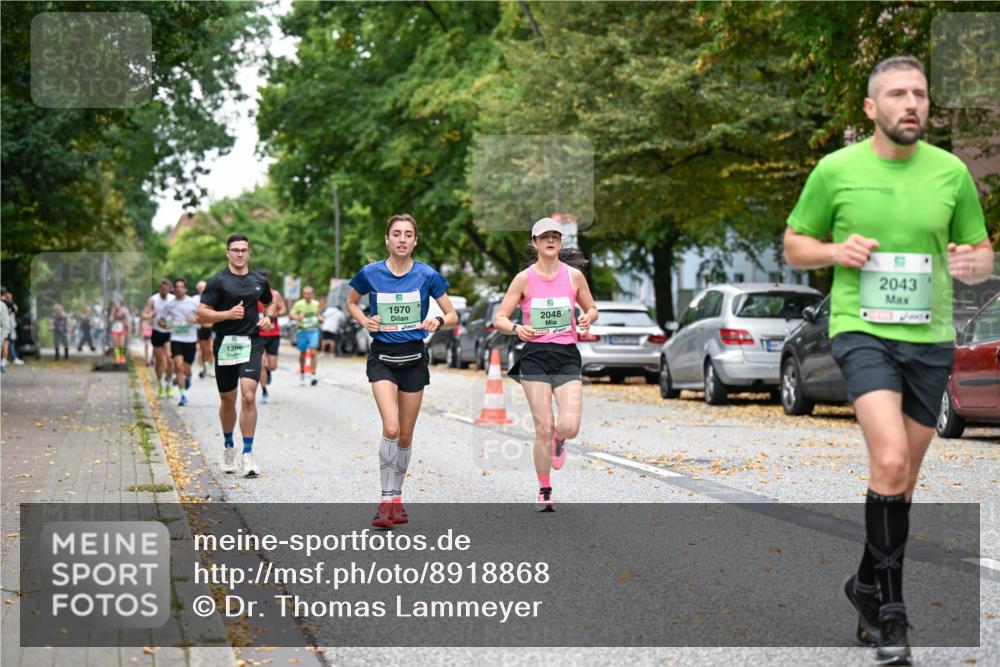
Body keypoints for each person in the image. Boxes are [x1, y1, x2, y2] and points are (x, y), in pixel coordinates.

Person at [783, 56, 993, 666]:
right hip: (863, 331)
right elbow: (795, 245)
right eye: (898, 93)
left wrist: (972, 263)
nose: (911, 103)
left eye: (920, 93)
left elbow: (981, 252)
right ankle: (892, 615)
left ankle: (864, 585)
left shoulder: (950, 173)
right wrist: (834, 251)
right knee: (891, 459)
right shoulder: (837, 170)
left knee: (900, 478)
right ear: (872, 108)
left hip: (929, 340)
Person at [346, 213, 458, 529]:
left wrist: (437, 320)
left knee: (406, 435)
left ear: (415, 241)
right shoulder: (370, 273)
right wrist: (365, 320)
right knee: (391, 428)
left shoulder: (427, 275)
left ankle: (397, 497)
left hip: (413, 358)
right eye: (396, 233)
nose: (402, 239)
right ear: (387, 239)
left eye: (408, 234)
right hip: (383, 358)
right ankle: (385, 502)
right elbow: (352, 303)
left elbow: (453, 314)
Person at [493, 217, 598, 513]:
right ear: (535, 242)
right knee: (543, 427)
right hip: (535, 356)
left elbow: (591, 307)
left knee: (569, 426)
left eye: (555, 236)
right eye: (544, 236)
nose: (550, 240)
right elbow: (499, 318)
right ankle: (544, 488)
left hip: (566, 355)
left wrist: (588, 316)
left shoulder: (574, 276)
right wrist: (517, 329)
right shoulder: (523, 279)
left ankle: (560, 439)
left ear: (560, 242)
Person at [196, 234, 275, 478]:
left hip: (251, 343)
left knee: (249, 396)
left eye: (243, 250)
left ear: (249, 252)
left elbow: (270, 303)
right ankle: (228, 446)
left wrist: (268, 317)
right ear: (227, 253)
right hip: (225, 344)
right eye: (235, 250)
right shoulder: (218, 282)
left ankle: (248, 454)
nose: (240, 254)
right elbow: (202, 313)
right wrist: (226, 315)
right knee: (228, 399)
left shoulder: (259, 280)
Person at [164, 278, 200, 406]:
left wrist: (194, 319)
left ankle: (188, 376)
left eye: (181, 287)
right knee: (178, 367)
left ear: (185, 289)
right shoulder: (169, 304)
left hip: (190, 339)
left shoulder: (193, 302)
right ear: (174, 289)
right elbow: (161, 320)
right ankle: (183, 395)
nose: (179, 289)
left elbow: (202, 317)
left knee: (186, 369)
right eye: (177, 287)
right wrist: (166, 324)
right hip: (176, 339)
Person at [255, 270, 286, 403]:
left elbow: (283, 309)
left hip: (273, 334)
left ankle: (268, 372)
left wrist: (274, 314)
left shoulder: (275, 294)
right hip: (258, 334)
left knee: (272, 366)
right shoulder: (253, 294)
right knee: (261, 363)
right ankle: (264, 391)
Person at [142, 279, 175, 397]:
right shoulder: (153, 300)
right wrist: (150, 315)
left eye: (166, 290)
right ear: (159, 289)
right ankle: (160, 383)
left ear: (170, 289)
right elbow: (144, 315)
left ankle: (169, 383)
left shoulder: (173, 299)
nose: (164, 292)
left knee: (170, 360)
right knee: (159, 361)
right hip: (157, 332)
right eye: (162, 289)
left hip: (170, 332)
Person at [290, 286, 323, 386]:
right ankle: (302, 374)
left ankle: (313, 375)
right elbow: (291, 315)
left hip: (313, 330)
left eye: (308, 294)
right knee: (303, 353)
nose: (306, 295)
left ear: (312, 294)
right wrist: (297, 317)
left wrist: (321, 318)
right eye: (304, 294)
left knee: (313, 352)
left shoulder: (316, 303)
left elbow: (318, 315)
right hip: (302, 331)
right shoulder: (298, 304)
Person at [195, 280, 215, 378]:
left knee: (211, 349)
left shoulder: (213, 297)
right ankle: (204, 368)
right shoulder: (195, 299)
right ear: (197, 289)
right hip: (201, 328)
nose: (202, 289)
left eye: (203, 287)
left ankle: (212, 368)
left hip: (212, 327)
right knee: (203, 350)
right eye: (200, 288)